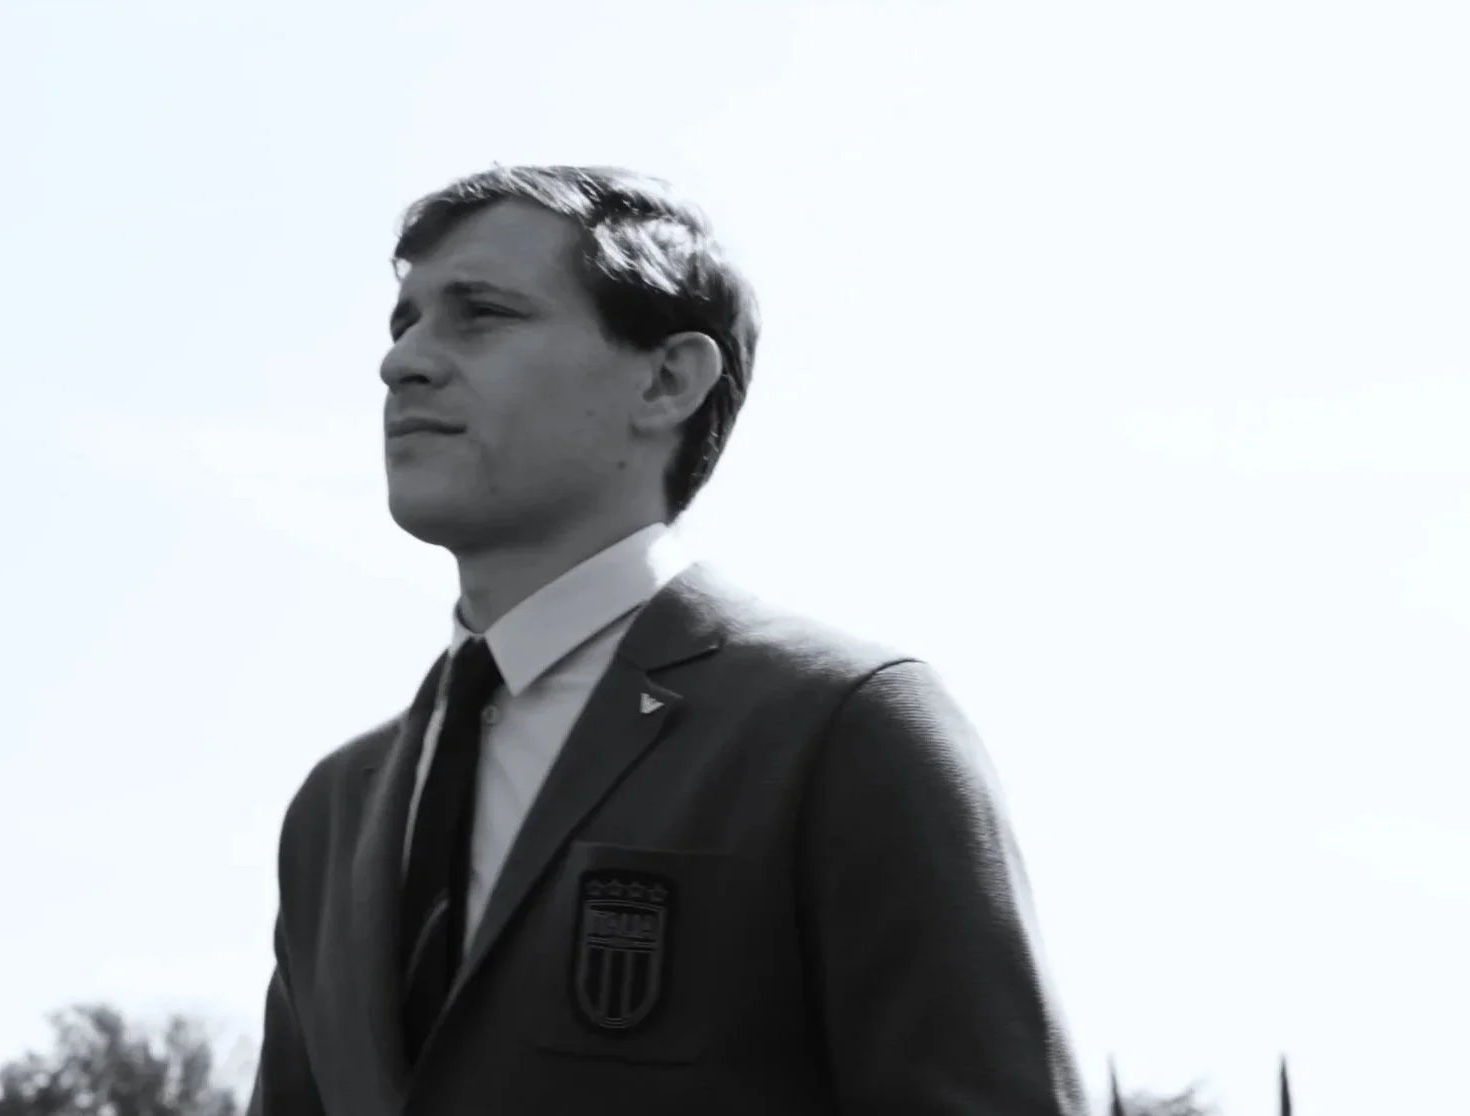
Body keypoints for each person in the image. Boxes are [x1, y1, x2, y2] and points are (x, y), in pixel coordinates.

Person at [248, 164, 1087, 1116]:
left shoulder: (841, 725)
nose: (402, 361)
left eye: (479, 313)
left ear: (666, 379)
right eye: (404, 323)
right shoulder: (334, 807)